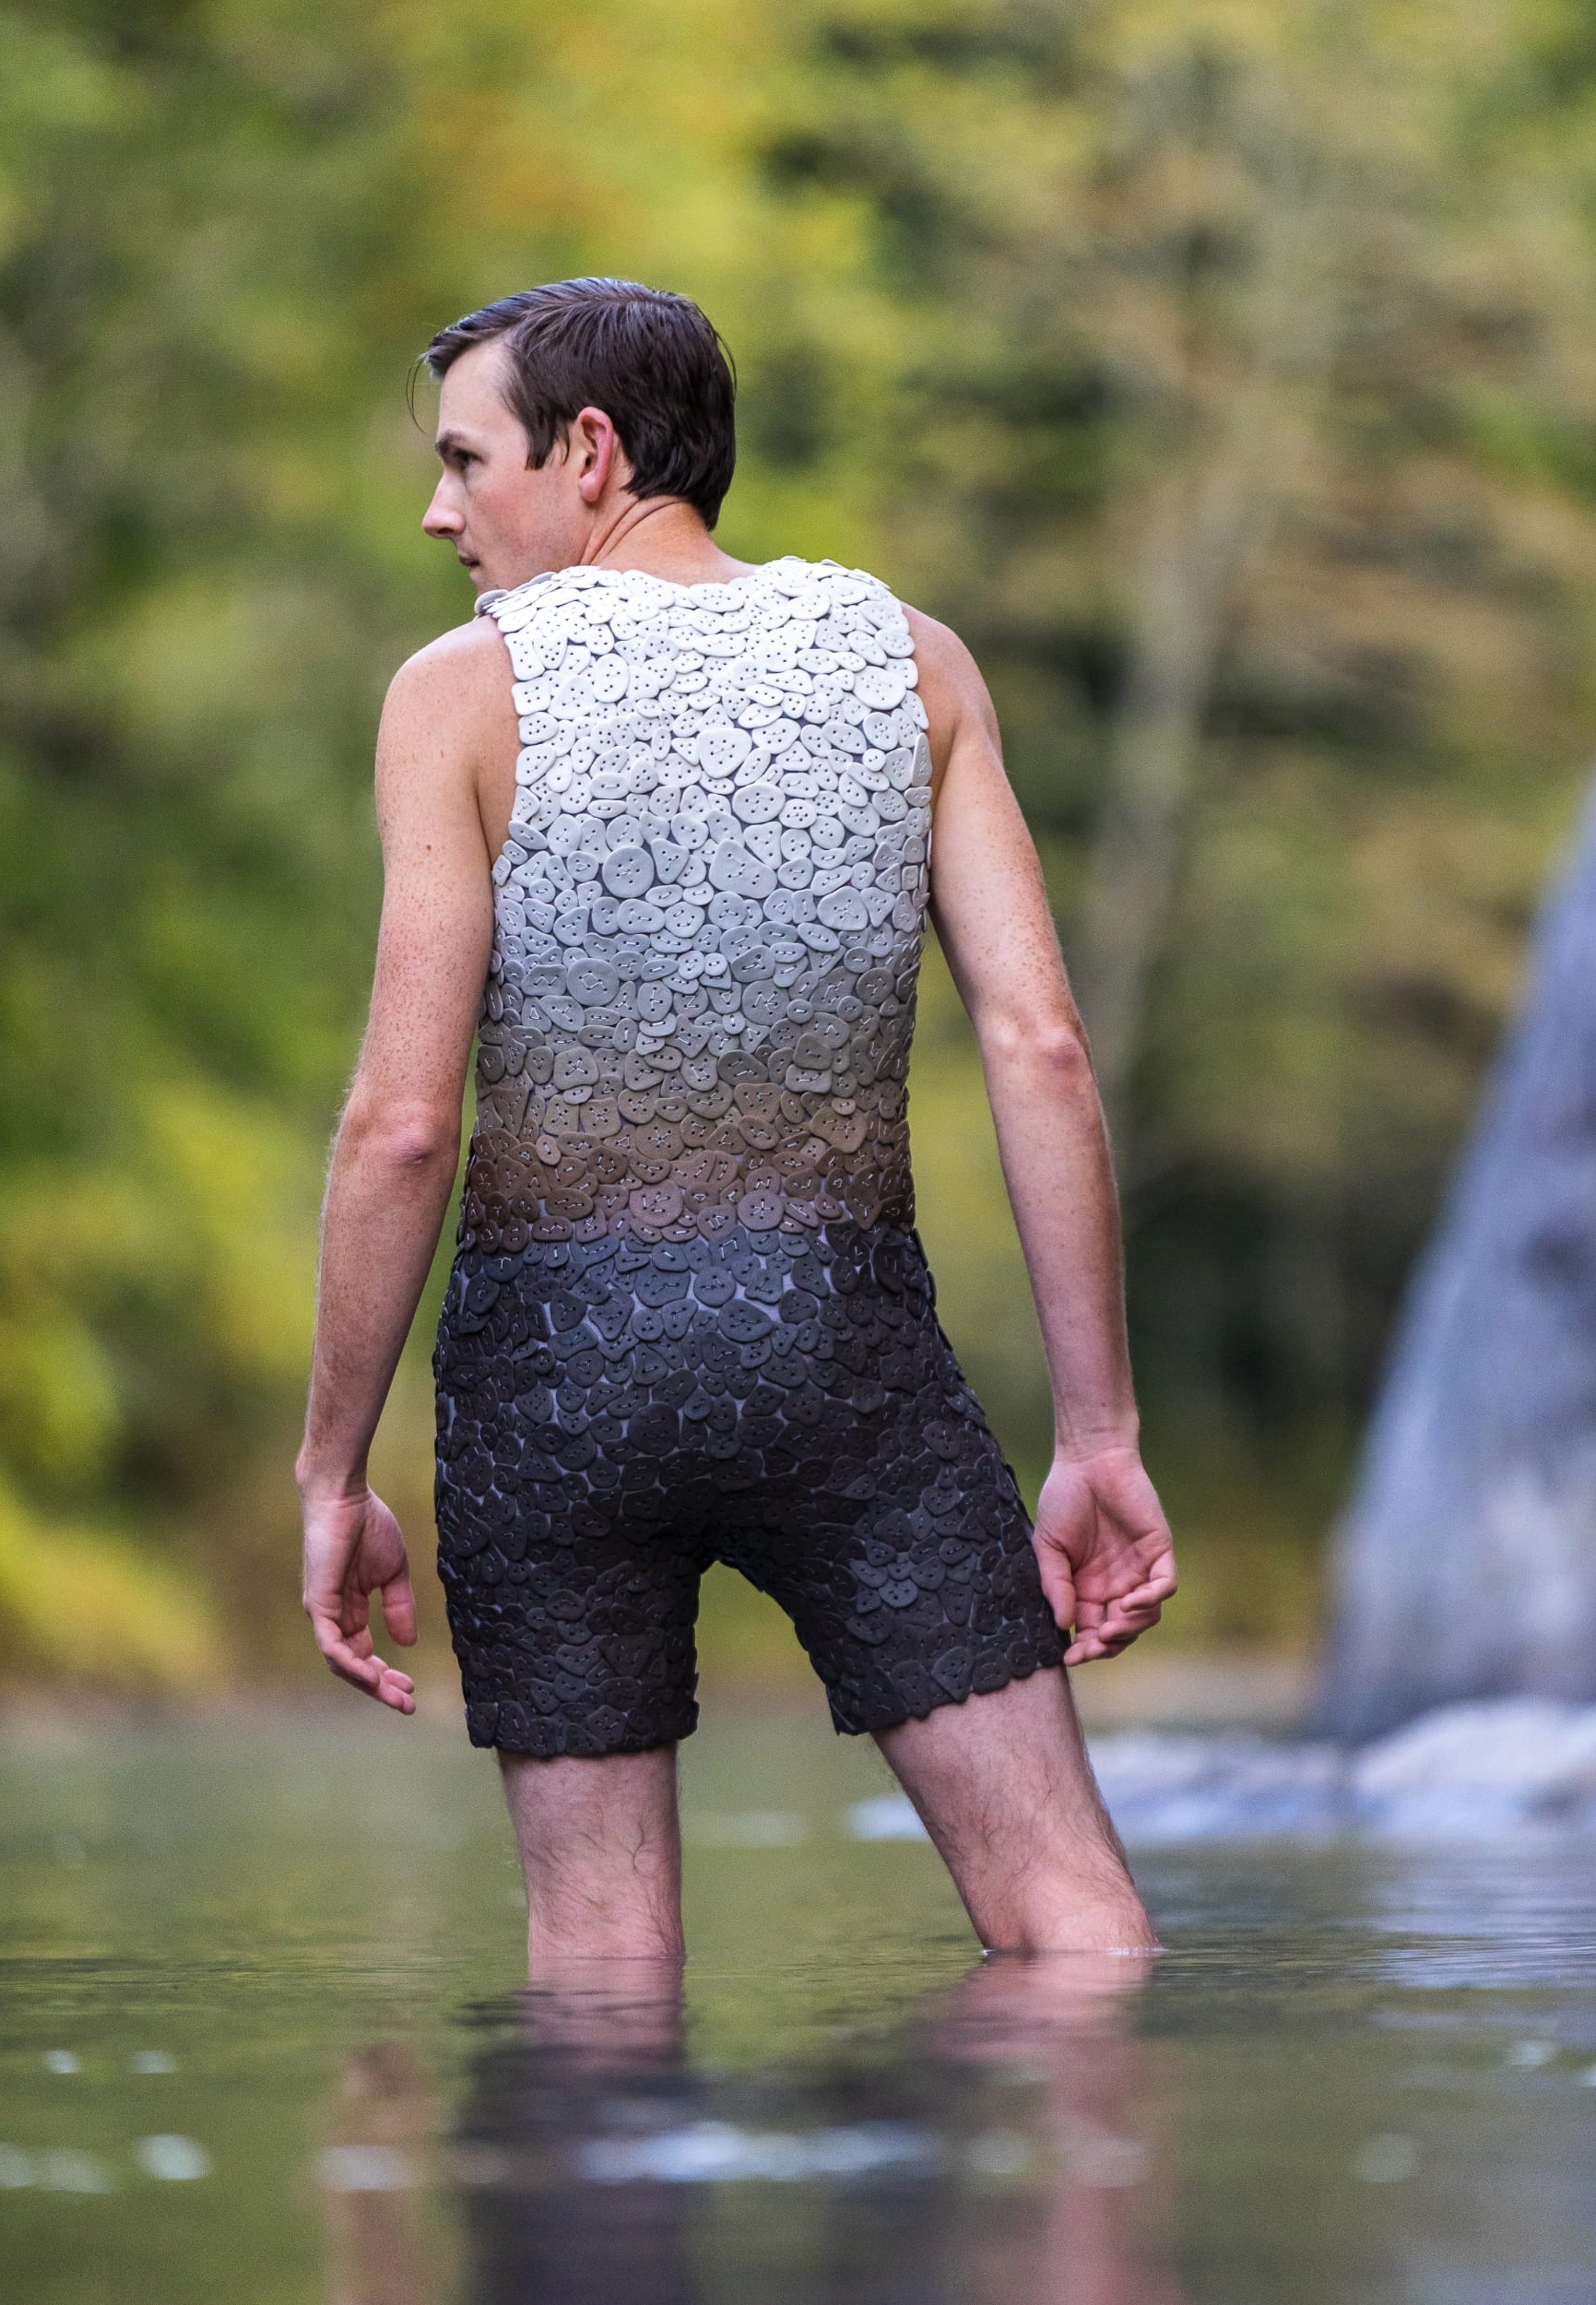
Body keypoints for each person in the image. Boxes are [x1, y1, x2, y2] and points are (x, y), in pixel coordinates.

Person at [294, 277, 1177, 1967]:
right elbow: (1043, 1047)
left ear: (593, 452)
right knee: (1077, 1935)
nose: (438, 509)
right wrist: (1100, 1433)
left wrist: (333, 1465)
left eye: (469, 463)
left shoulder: (456, 697)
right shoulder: (915, 667)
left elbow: (403, 1126)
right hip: (849, 1371)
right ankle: (1063, 2221)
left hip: (558, 1393)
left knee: (602, 1973)